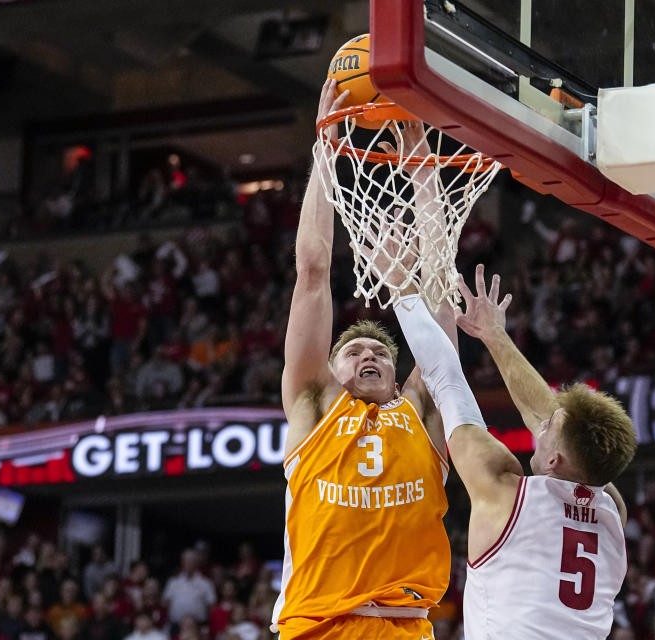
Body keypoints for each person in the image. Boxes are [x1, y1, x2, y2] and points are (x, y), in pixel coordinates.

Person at [271, 78, 454, 640]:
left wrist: (424, 176)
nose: (369, 355)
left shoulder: (420, 410)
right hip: (318, 626)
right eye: (353, 351)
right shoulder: (313, 403)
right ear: (331, 370)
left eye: (380, 352)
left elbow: (439, 289)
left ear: (399, 374)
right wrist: (325, 152)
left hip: (405, 626)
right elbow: (312, 272)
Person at [391, 264, 637, 639]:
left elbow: (444, 376)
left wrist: (401, 286)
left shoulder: (505, 491)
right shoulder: (610, 509)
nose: (539, 423)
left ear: (554, 460)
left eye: (545, 429)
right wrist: (494, 336)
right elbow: (547, 414)